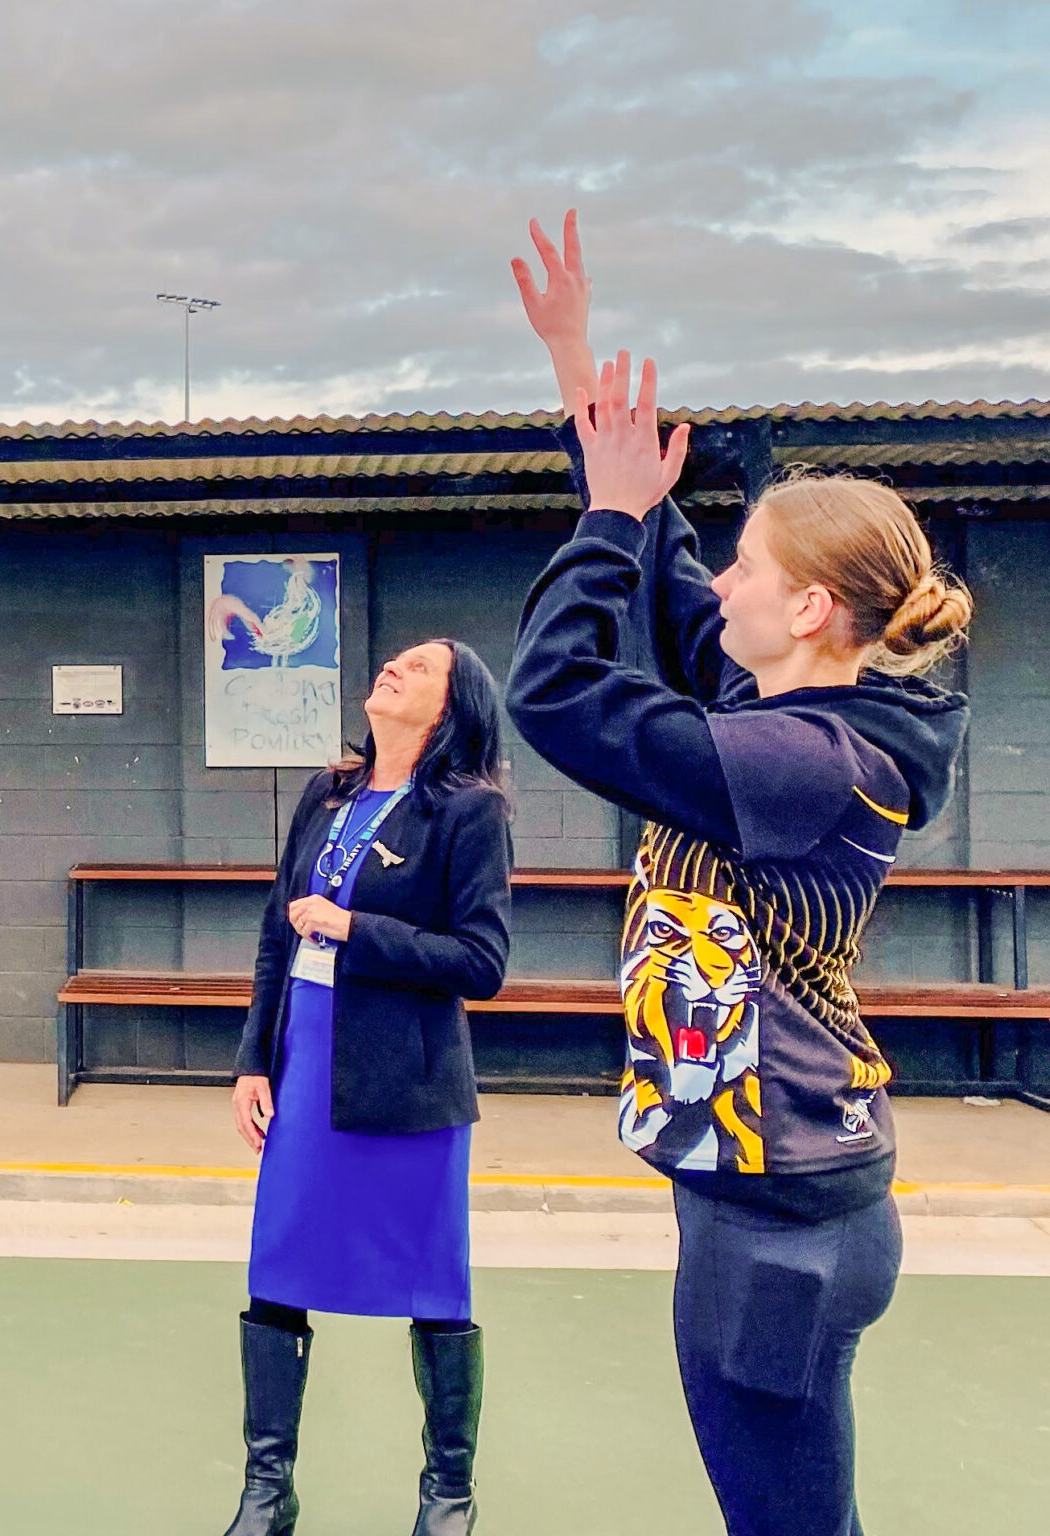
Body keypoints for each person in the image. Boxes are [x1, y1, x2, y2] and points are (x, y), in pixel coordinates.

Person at [506, 215, 970, 1536]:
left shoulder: (800, 762)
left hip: (780, 1224)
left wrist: (606, 517)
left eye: (750, 569)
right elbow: (662, 583)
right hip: (768, 1196)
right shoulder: (782, 721)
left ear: (813, 609)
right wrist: (576, 373)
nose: (725, 581)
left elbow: (560, 694)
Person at [219, 638, 514, 1536]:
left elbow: (482, 961)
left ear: (452, 706)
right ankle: (268, 1491)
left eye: (420, 667)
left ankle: (448, 1496)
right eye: (396, 660)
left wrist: (355, 928)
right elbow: (278, 934)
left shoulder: (471, 811)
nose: (394, 667)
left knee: (435, 1289)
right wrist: (252, 1059)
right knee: (276, 1272)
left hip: (407, 1083)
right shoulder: (327, 793)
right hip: (307, 1066)